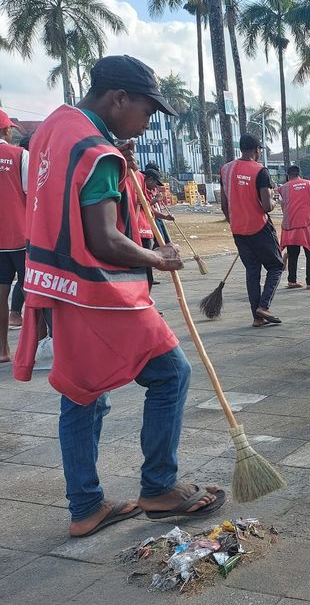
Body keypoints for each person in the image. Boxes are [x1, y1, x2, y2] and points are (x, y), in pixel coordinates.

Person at [14, 54, 224, 537]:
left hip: (56, 283)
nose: (147, 124)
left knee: (82, 391)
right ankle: (159, 486)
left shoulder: (54, 129)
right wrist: (158, 258)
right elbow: (105, 239)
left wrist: (115, 160)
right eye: (147, 111)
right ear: (119, 98)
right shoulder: (96, 151)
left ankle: (86, 505)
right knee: (171, 373)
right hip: (98, 289)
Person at [220, 133, 284, 327]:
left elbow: (224, 204)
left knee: (252, 271)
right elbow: (266, 206)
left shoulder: (226, 169)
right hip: (259, 227)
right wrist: (275, 200)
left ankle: (257, 318)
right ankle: (263, 306)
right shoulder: (260, 171)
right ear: (257, 150)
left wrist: (234, 222)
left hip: (238, 229)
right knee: (276, 266)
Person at [0, 109, 27, 360]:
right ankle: (36, 345)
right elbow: (32, 192)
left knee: (1, 291)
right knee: (34, 288)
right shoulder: (19, 155)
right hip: (20, 234)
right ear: (7, 130)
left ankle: (2, 350)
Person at [278, 165, 310, 290]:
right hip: (306, 224)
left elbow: (283, 207)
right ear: (300, 174)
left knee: (293, 253)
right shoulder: (308, 184)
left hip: (290, 226)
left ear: (288, 176)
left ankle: (292, 281)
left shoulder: (283, 188)